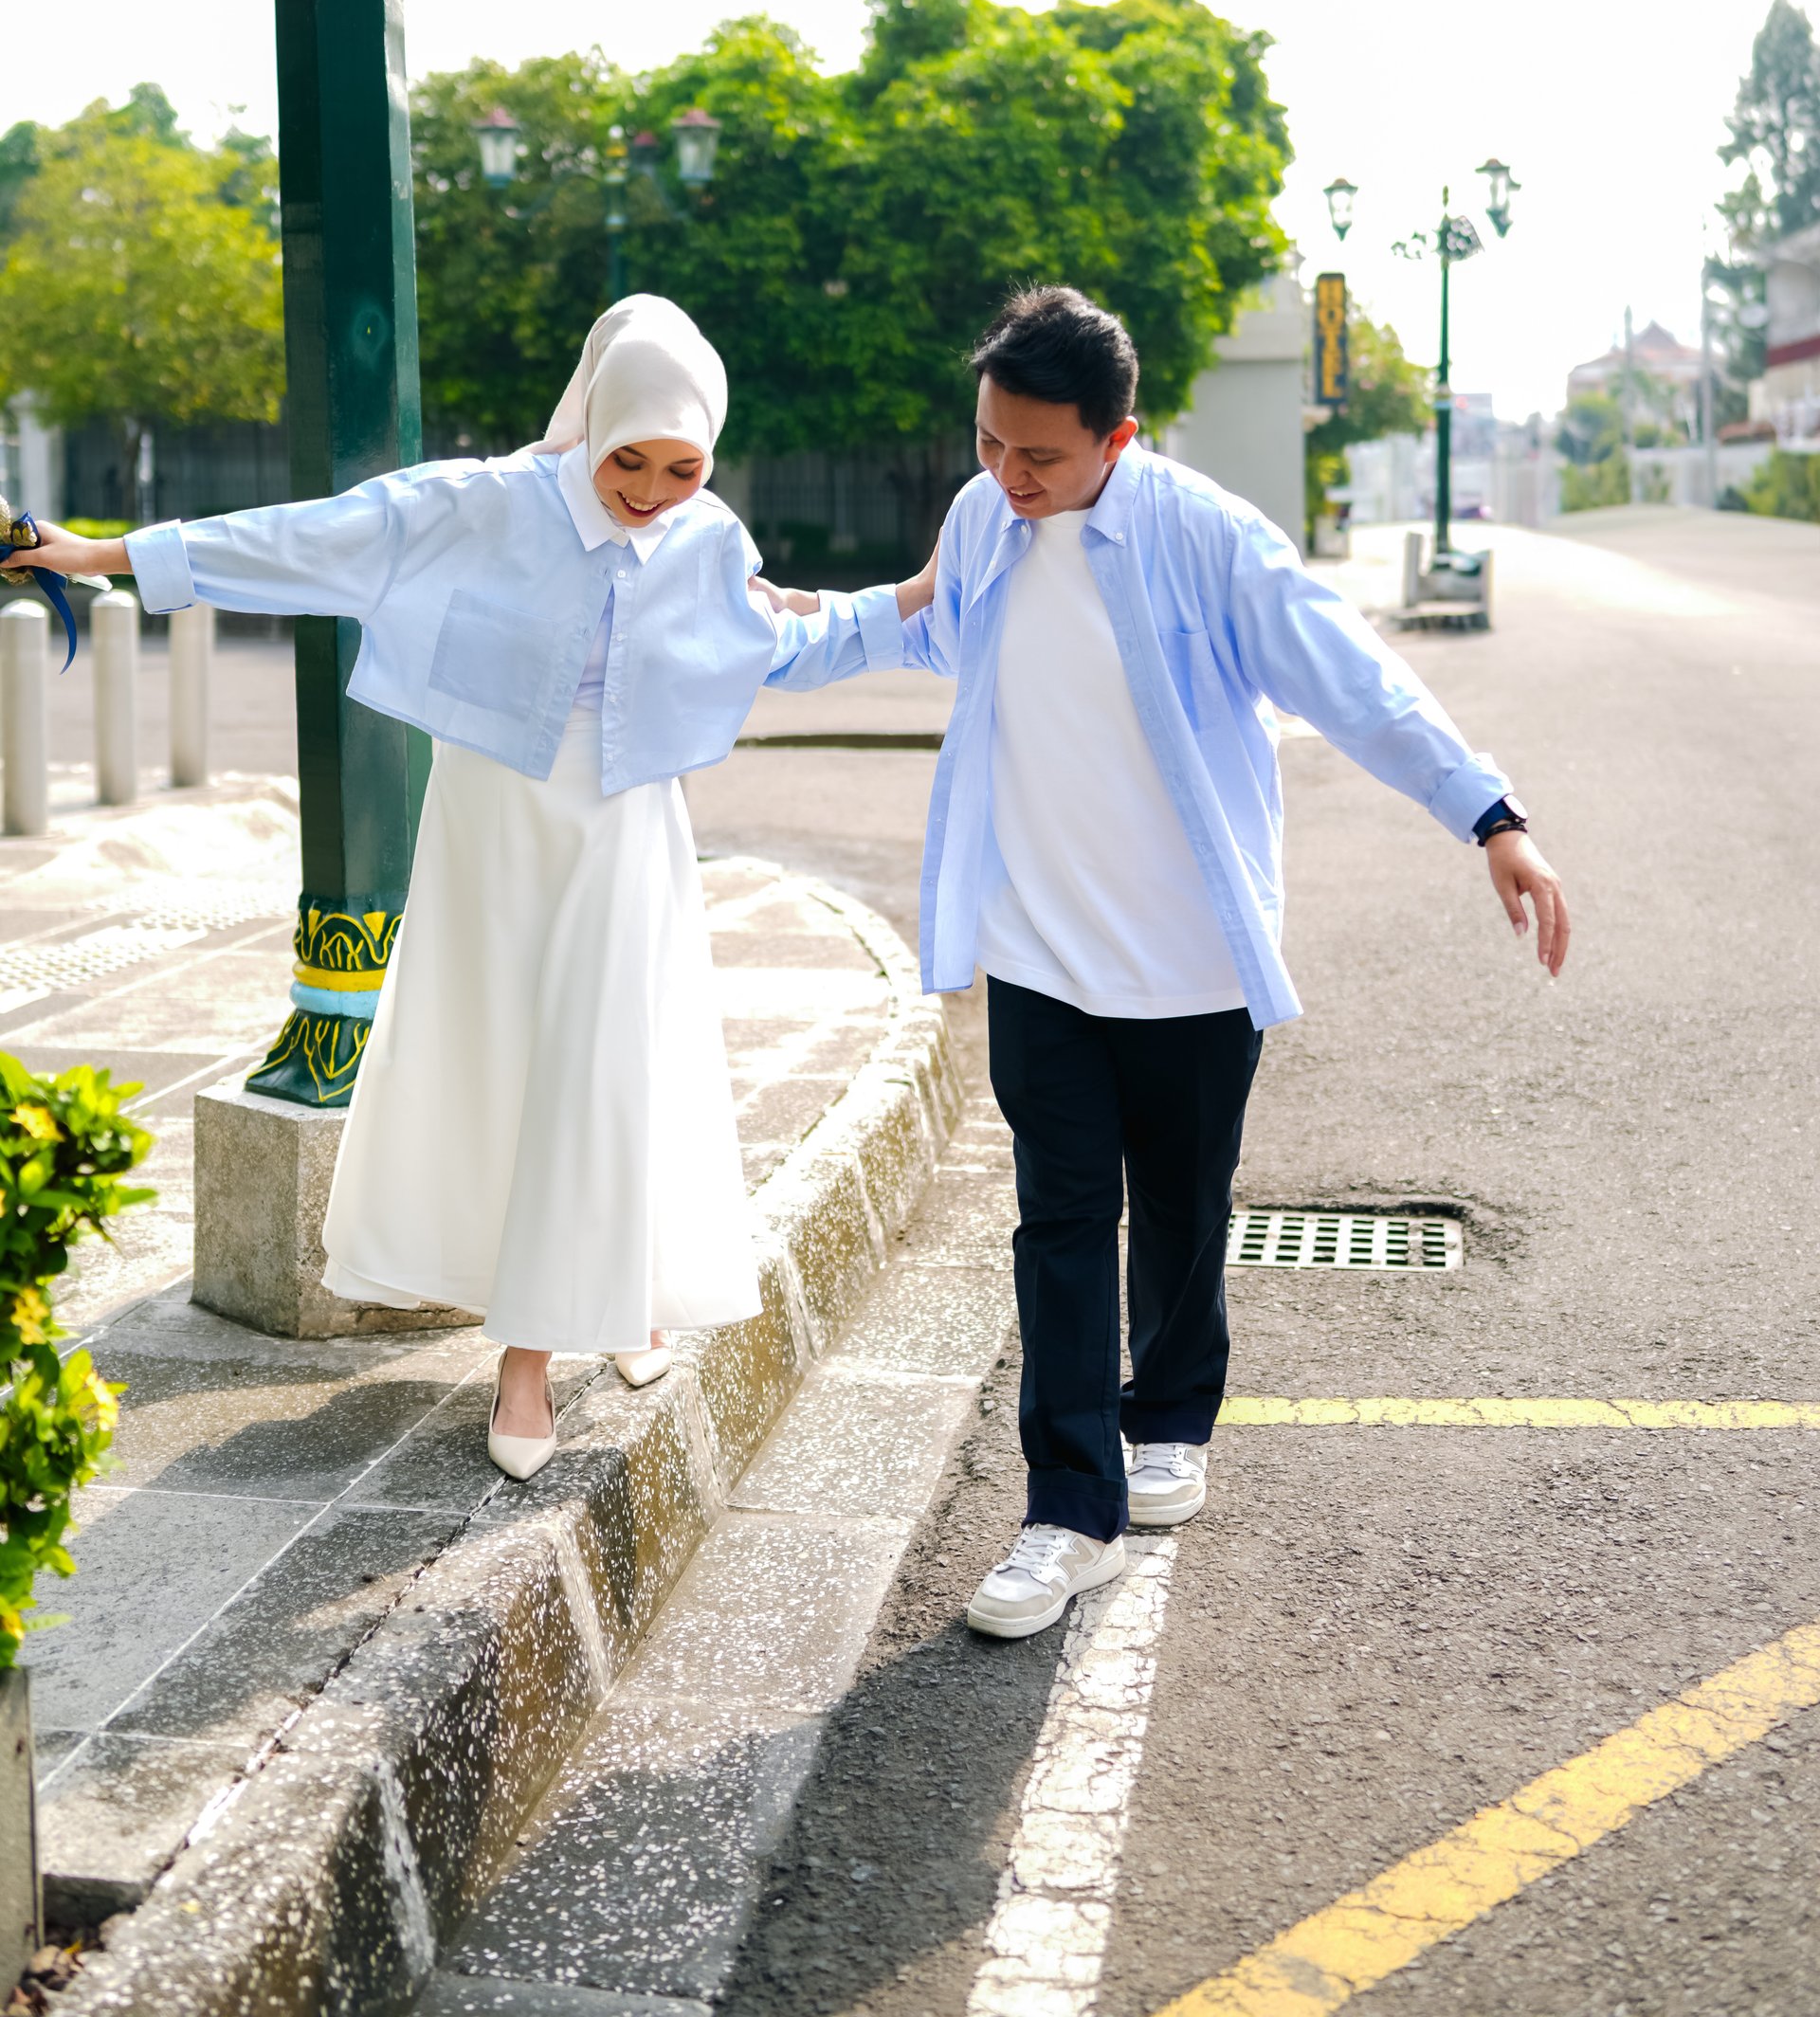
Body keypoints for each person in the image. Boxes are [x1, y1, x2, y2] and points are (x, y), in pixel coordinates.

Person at [23, 297, 915, 1479]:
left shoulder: (711, 541)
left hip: (625, 835)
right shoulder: (482, 505)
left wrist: (925, 594)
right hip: (490, 824)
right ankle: (608, 1299)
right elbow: (308, 539)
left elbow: (789, 643)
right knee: (505, 1065)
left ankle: (536, 1355)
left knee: (606, 1069)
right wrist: (100, 558)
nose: (650, 489)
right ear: (590, 425)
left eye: (682, 466)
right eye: (626, 460)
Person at [876, 286, 1569, 1638]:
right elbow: (932, 627)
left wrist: (1490, 815)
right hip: (1039, 956)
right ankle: (1069, 1516)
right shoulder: (982, 519)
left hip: (1189, 958)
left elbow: (1351, 677)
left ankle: (1172, 1411)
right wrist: (746, 633)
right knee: (1060, 1229)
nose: (1009, 479)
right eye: (990, 445)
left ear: (1118, 438)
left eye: (1041, 457)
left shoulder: (1203, 539)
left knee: (1185, 1204)